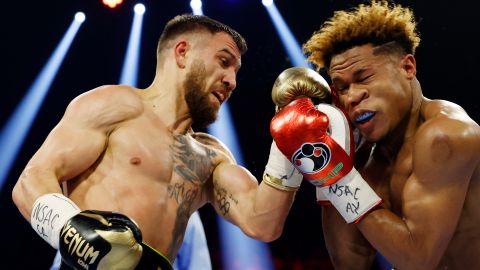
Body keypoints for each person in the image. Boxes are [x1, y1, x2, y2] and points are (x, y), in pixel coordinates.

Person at [12, 14, 302, 270]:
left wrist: (288, 146)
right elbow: (31, 181)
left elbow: (262, 223)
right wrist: (70, 230)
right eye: (224, 62)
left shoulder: (211, 155)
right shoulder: (115, 106)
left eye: (236, 72)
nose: (231, 81)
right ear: (182, 53)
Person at [271, 1, 480, 269]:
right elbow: (349, 262)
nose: (353, 96)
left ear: (408, 68)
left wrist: (338, 176)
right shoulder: (367, 159)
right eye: (342, 87)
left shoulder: (445, 135)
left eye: (364, 77)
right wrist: (332, 162)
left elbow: (418, 260)